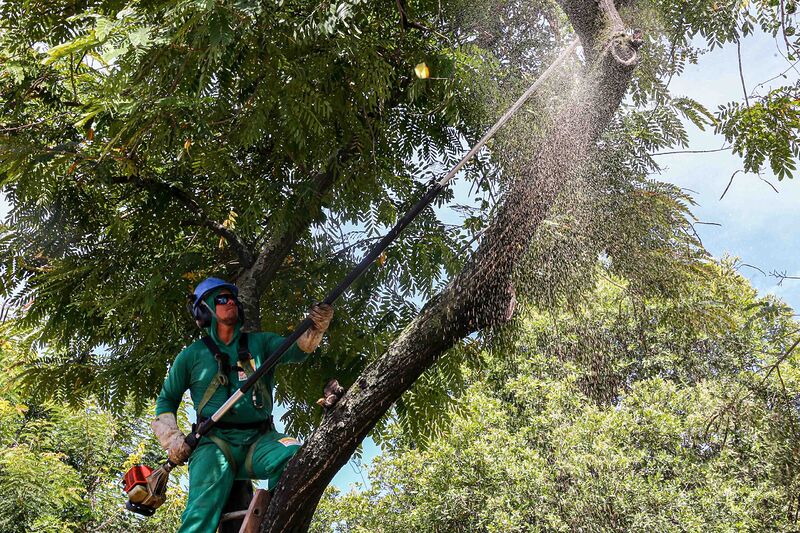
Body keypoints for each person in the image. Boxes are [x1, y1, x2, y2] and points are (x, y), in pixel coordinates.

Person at [151, 277, 333, 532]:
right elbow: (166, 400)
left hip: (259, 441)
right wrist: (172, 440)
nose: (230, 303)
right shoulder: (191, 356)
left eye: (233, 299)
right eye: (222, 299)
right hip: (214, 444)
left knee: (296, 457)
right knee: (199, 516)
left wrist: (317, 328)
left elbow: (299, 349)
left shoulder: (261, 343)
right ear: (204, 311)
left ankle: (273, 525)